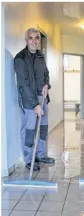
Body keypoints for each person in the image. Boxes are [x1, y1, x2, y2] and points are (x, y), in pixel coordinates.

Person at [14, 28, 55, 171]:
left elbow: (46, 73)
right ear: (26, 40)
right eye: (30, 38)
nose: (34, 41)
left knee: (43, 128)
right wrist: (35, 105)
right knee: (30, 130)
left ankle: (40, 155)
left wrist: (46, 84)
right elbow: (23, 85)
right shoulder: (20, 58)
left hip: (42, 97)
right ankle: (29, 159)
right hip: (29, 100)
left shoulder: (40, 55)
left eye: (36, 38)